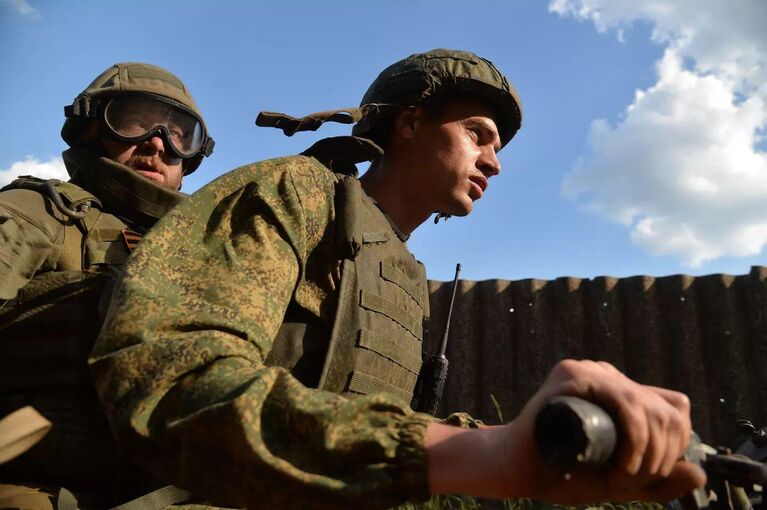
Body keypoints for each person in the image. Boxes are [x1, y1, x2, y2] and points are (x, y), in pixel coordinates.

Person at [91, 49, 705, 509]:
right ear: (409, 125)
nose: (494, 161)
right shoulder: (294, 193)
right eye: (477, 134)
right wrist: (468, 454)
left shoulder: (401, 271)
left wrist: (536, 440)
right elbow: (167, 379)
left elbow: (373, 421)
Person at [0, 62, 214, 508]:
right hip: (43, 482)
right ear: (91, 128)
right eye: (135, 120)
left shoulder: (211, 250)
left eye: (179, 134)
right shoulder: (41, 212)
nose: (157, 141)